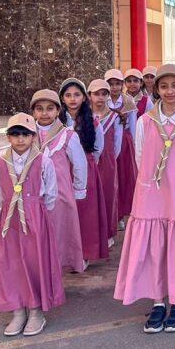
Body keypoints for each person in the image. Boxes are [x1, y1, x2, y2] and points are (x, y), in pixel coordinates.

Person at [114, 64, 175, 334]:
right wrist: (154, 184)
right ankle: (157, 301)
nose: (170, 91)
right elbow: (140, 157)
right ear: (156, 89)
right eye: (164, 86)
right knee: (155, 248)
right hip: (152, 193)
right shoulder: (145, 121)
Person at [0, 113, 63, 337]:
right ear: (8, 137)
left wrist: (36, 213)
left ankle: (35, 310)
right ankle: (17, 310)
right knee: (11, 263)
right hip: (10, 219)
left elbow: (51, 193)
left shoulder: (43, 161)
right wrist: (11, 210)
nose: (20, 139)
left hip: (36, 217)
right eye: (15, 134)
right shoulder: (0, 163)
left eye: (25, 134)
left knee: (35, 262)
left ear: (34, 137)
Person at [31, 89, 87, 274]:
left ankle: (59, 265)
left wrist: (79, 189)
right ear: (33, 112)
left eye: (49, 108)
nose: (44, 113)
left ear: (57, 110)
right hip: (33, 194)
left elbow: (79, 164)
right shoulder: (26, 135)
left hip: (60, 193)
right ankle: (39, 268)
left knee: (60, 229)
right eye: (39, 109)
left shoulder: (67, 135)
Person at [59, 78, 109, 262]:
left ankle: (85, 253)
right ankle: (65, 252)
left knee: (85, 213)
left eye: (77, 95)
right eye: (68, 95)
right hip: (62, 170)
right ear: (62, 98)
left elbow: (98, 149)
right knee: (65, 212)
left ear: (84, 97)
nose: (72, 99)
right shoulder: (57, 122)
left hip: (87, 171)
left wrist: (86, 165)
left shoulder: (92, 122)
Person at [89, 79, 121, 244]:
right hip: (88, 161)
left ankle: (107, 233)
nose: (100, 97)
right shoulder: (84, 116)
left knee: (108, 194)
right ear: (90, 95)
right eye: (96, 94)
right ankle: (92, 232)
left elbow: (117, 144)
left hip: (108, 162)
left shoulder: (115, 117)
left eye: (104, 94)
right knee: (90, 196)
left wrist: (109, 160)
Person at [106, 69, 138, 230]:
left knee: (123, 179)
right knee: (108, 179)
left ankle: (120, 215)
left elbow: (133, 126)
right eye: (111, 84)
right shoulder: (101, 100)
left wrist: (134, 146)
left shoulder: (128, 101)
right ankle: (108, 214)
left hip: (124, 144)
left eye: (117, 84)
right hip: (106, 142)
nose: (114, 87)